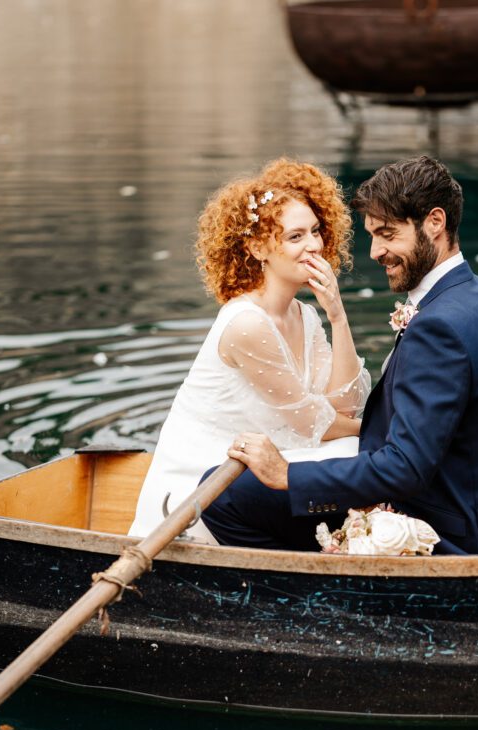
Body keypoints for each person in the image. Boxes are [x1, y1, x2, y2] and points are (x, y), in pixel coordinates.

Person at [200, 155, 478, 556]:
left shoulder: (439, 327)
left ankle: (316, 596)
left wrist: (288, 475)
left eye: (387, 234)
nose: (375, 252)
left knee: (222, 494)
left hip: (457, 536)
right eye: (372, 236)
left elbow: (406, 468)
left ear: (435, 223)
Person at [129, 158, 371, 542]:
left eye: (315, 231)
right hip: (205, 490)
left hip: (261, 468)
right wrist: (387, 435)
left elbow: (346, 406)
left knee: (358, 451)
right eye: (295, 237)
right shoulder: (247, 324)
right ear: (259, 247)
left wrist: (338, 317)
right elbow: (315, 425)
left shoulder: (305, 315)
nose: (313, 246)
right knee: (364, 453)